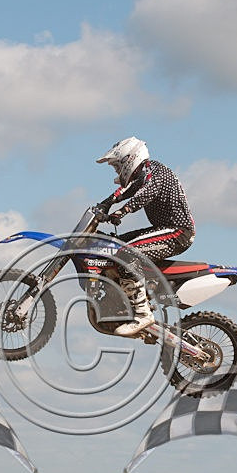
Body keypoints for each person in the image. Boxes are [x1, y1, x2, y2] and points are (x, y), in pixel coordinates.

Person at [95, 137, 195, 336]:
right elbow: (127, 190)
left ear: (129, 160)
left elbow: (143, 195)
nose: (116, 171)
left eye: (117, 166)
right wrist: (105, 203)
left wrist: (121, 212)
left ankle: (142, 314)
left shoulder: (157, 173)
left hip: (177, 231)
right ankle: (124, 300)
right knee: (113, 245)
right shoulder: (145, 173)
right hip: (163, 228)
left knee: (126, 254)